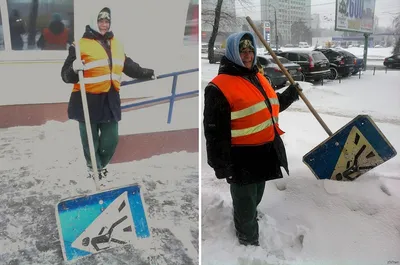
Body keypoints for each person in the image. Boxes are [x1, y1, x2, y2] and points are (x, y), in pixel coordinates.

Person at [203, 32, 301, 246]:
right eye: (242, 51)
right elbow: (214, 131)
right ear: (232, 54)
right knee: (245, 199)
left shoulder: (258, 77)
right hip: (241, 157)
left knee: (256, 194)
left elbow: (267, 109)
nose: (247, 55)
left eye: (250, 51)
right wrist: (220, 164)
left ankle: (247, 218)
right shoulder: (219, 87)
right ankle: (248, 239)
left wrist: (289, 96)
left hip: (264, 150)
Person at [61, 7, 155, 181]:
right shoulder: (79, 46)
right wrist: (74, 68)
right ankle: (95, 169)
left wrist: (147, 72)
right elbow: (65, 75)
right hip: (87, 100)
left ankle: (100, 165)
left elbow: (128, 65)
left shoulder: (116, 44)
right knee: (90, 140)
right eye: (100, 21)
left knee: (110, 141)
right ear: (93, 22)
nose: (104, 25)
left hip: (110, 100)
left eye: (106, 21)